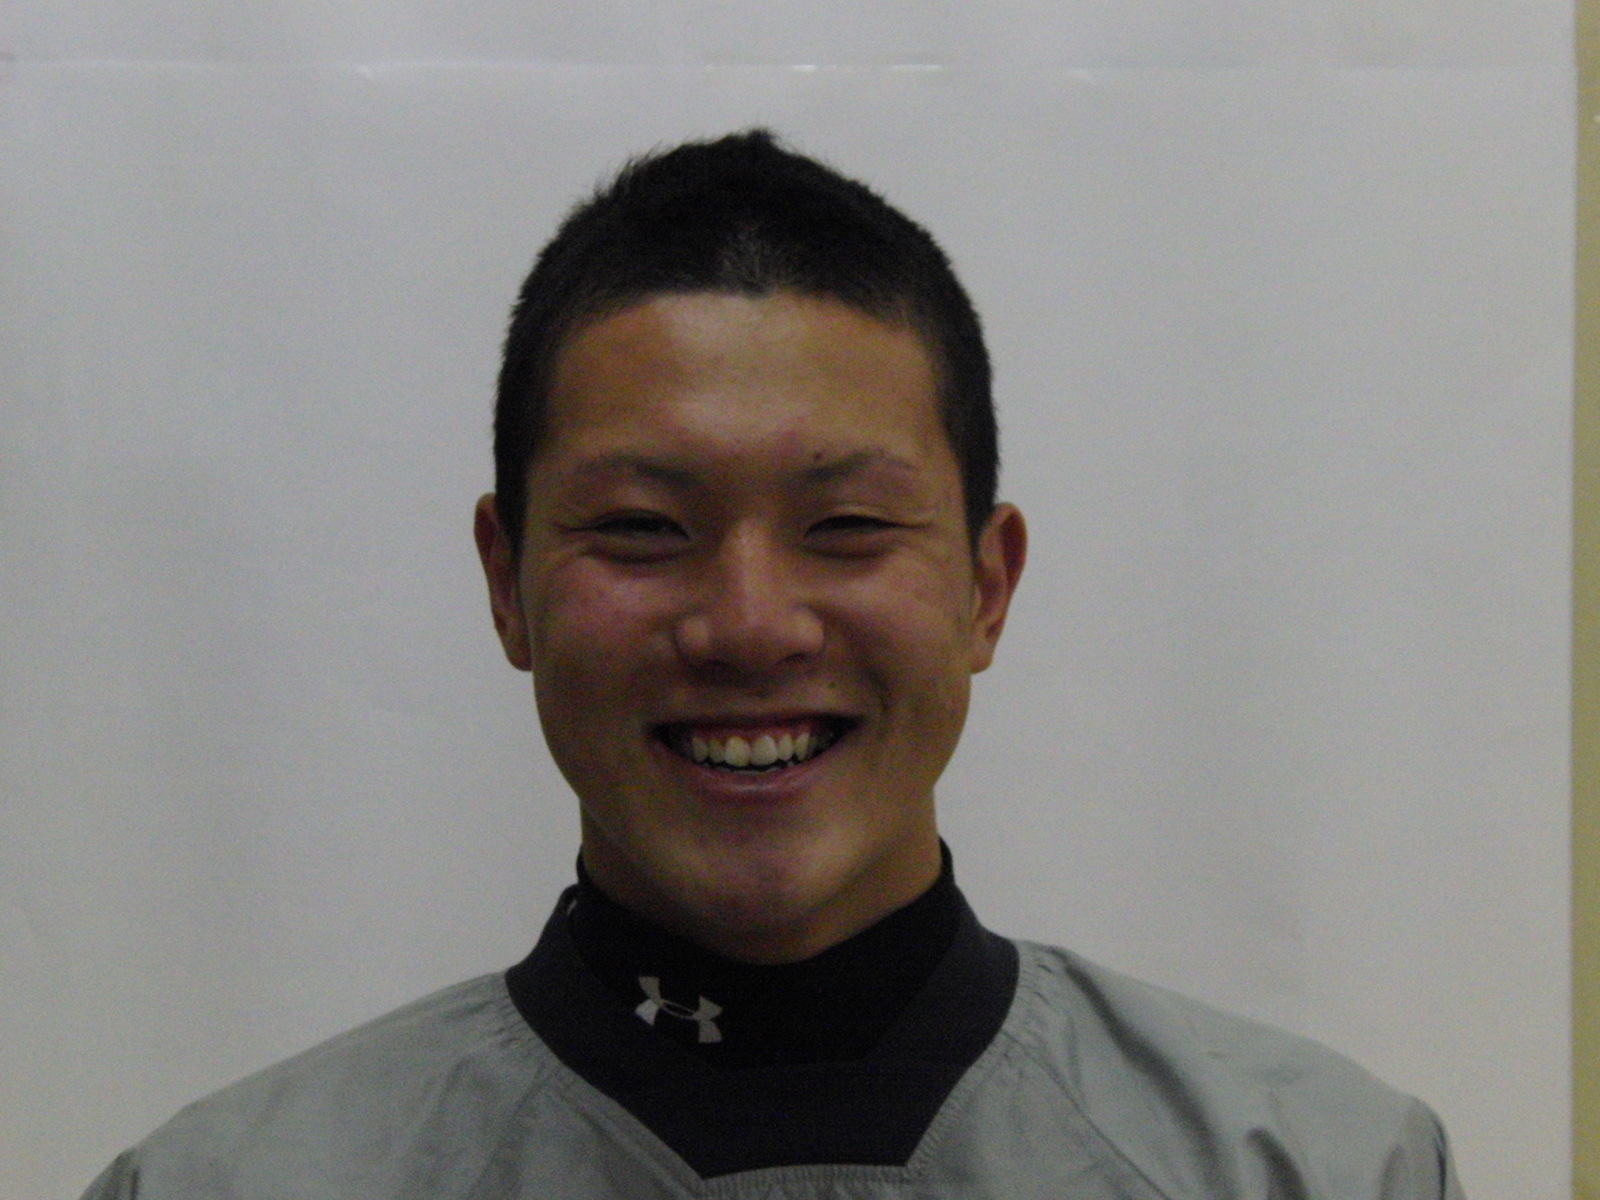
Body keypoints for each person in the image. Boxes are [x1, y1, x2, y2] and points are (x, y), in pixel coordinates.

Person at [80, 130, 1464, 1199]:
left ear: (987, 587)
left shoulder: (1316, 1170)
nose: (750, 625)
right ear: (507, 584)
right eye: (644, 529)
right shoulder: (233, 1183)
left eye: (847, 527)